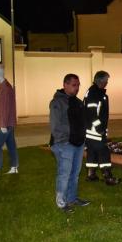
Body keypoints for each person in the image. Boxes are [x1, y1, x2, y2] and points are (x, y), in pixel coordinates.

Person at [49, 73, 90, 213]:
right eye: (74, 85)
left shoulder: (77, 102)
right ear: (65, 84)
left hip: (78, 143)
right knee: (64, 173)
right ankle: (61, 202)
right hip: (64, 144)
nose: (77, 88)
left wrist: (82, 139)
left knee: (75, 173)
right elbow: (55, 126)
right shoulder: (57, 102)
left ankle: (71, 198)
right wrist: (65, 141)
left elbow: (82, 122)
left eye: (78, 85)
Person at [83, 71, 121, 185]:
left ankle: (91, 175)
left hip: (90, 131)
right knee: (104, 153)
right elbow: (91, 113)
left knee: (92, 153)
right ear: (101, 81)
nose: (107, 83)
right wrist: (100, 129)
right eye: (106, 81)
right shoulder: (95, 93)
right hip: (95, 132)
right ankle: (108, 177)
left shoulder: (93, 91)